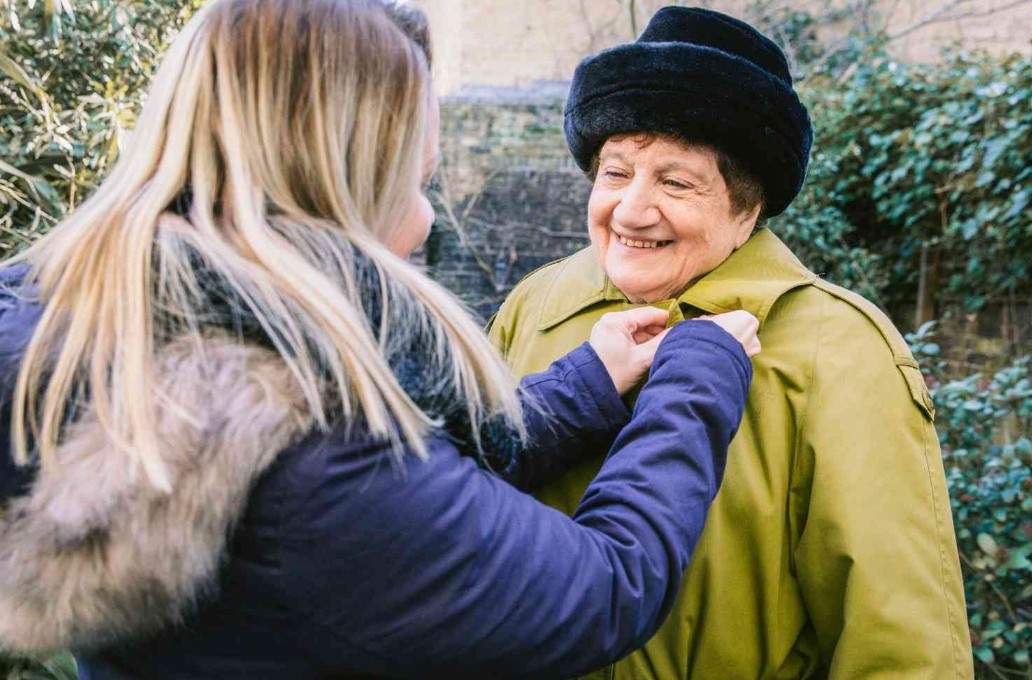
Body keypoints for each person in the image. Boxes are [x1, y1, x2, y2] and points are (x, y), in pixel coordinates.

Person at [0, 1, 762, 679]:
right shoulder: (312, 450)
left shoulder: (68, 327)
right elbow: (604, 590)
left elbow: (428, 470)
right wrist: (701, 368)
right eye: (412, 183)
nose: (427, 219)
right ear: (336, 189)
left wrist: (586, 383)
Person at [489, 6, 974, 680]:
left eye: (675, 181)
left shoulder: (839, 347)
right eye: (615, 171)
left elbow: (896, 637)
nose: (630, 210)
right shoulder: (536, 306)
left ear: (749, 208)